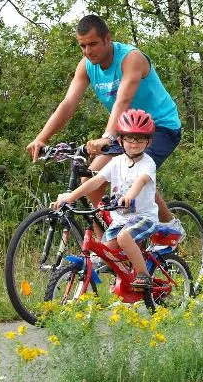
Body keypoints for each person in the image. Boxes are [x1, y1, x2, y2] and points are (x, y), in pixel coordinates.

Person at [26, 14, 183, 232]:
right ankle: (106, 251)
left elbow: (123, 100)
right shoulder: (87, 66)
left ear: (107, 39)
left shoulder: (131, 58)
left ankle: (170, 228)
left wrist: (108, 137)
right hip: (127, 129)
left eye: (93, 44)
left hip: (160, 126)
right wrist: (41, 138)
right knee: (90, 181)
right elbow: (68, 103)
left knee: (135, 171)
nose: (88, 51)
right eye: (82, 46)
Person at [52, 109, 160, 290]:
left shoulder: (147, 163)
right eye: (130, 138)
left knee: (124, 237)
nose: (134, 143)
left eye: (140, 139)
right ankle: (126, 279)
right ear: (120, 140)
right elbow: (96, 181)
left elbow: (140, 181)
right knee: (105, 252)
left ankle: (143, 275)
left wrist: (128, 197)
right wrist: (70, 197)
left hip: (144, 217)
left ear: (148, 142)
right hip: (121, 220)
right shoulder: (116, 162)